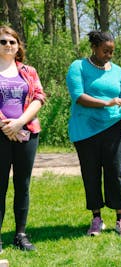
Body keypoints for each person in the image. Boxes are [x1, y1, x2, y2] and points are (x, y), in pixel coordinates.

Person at [66, 30, 121, 237]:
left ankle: (120, 218)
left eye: (112, 52)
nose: (109, 55)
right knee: (91, 173)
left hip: (113, 127)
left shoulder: (117, 71)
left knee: (115, 171)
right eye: (105, 51)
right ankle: (96, 218)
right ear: (94, 48)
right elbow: (78, 96)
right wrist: (107, 102)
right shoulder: (78, 66)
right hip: (85, 129)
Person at [0, 25, 46, 253]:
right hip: (1, 135)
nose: (8, 45)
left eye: (12, 41)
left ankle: (20, 235)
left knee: (23, 185)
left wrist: (19, 123)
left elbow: (39, 97)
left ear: (18, 46)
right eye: (3, 41)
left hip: (27, 134)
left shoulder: (29, 71)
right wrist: (6, 126)